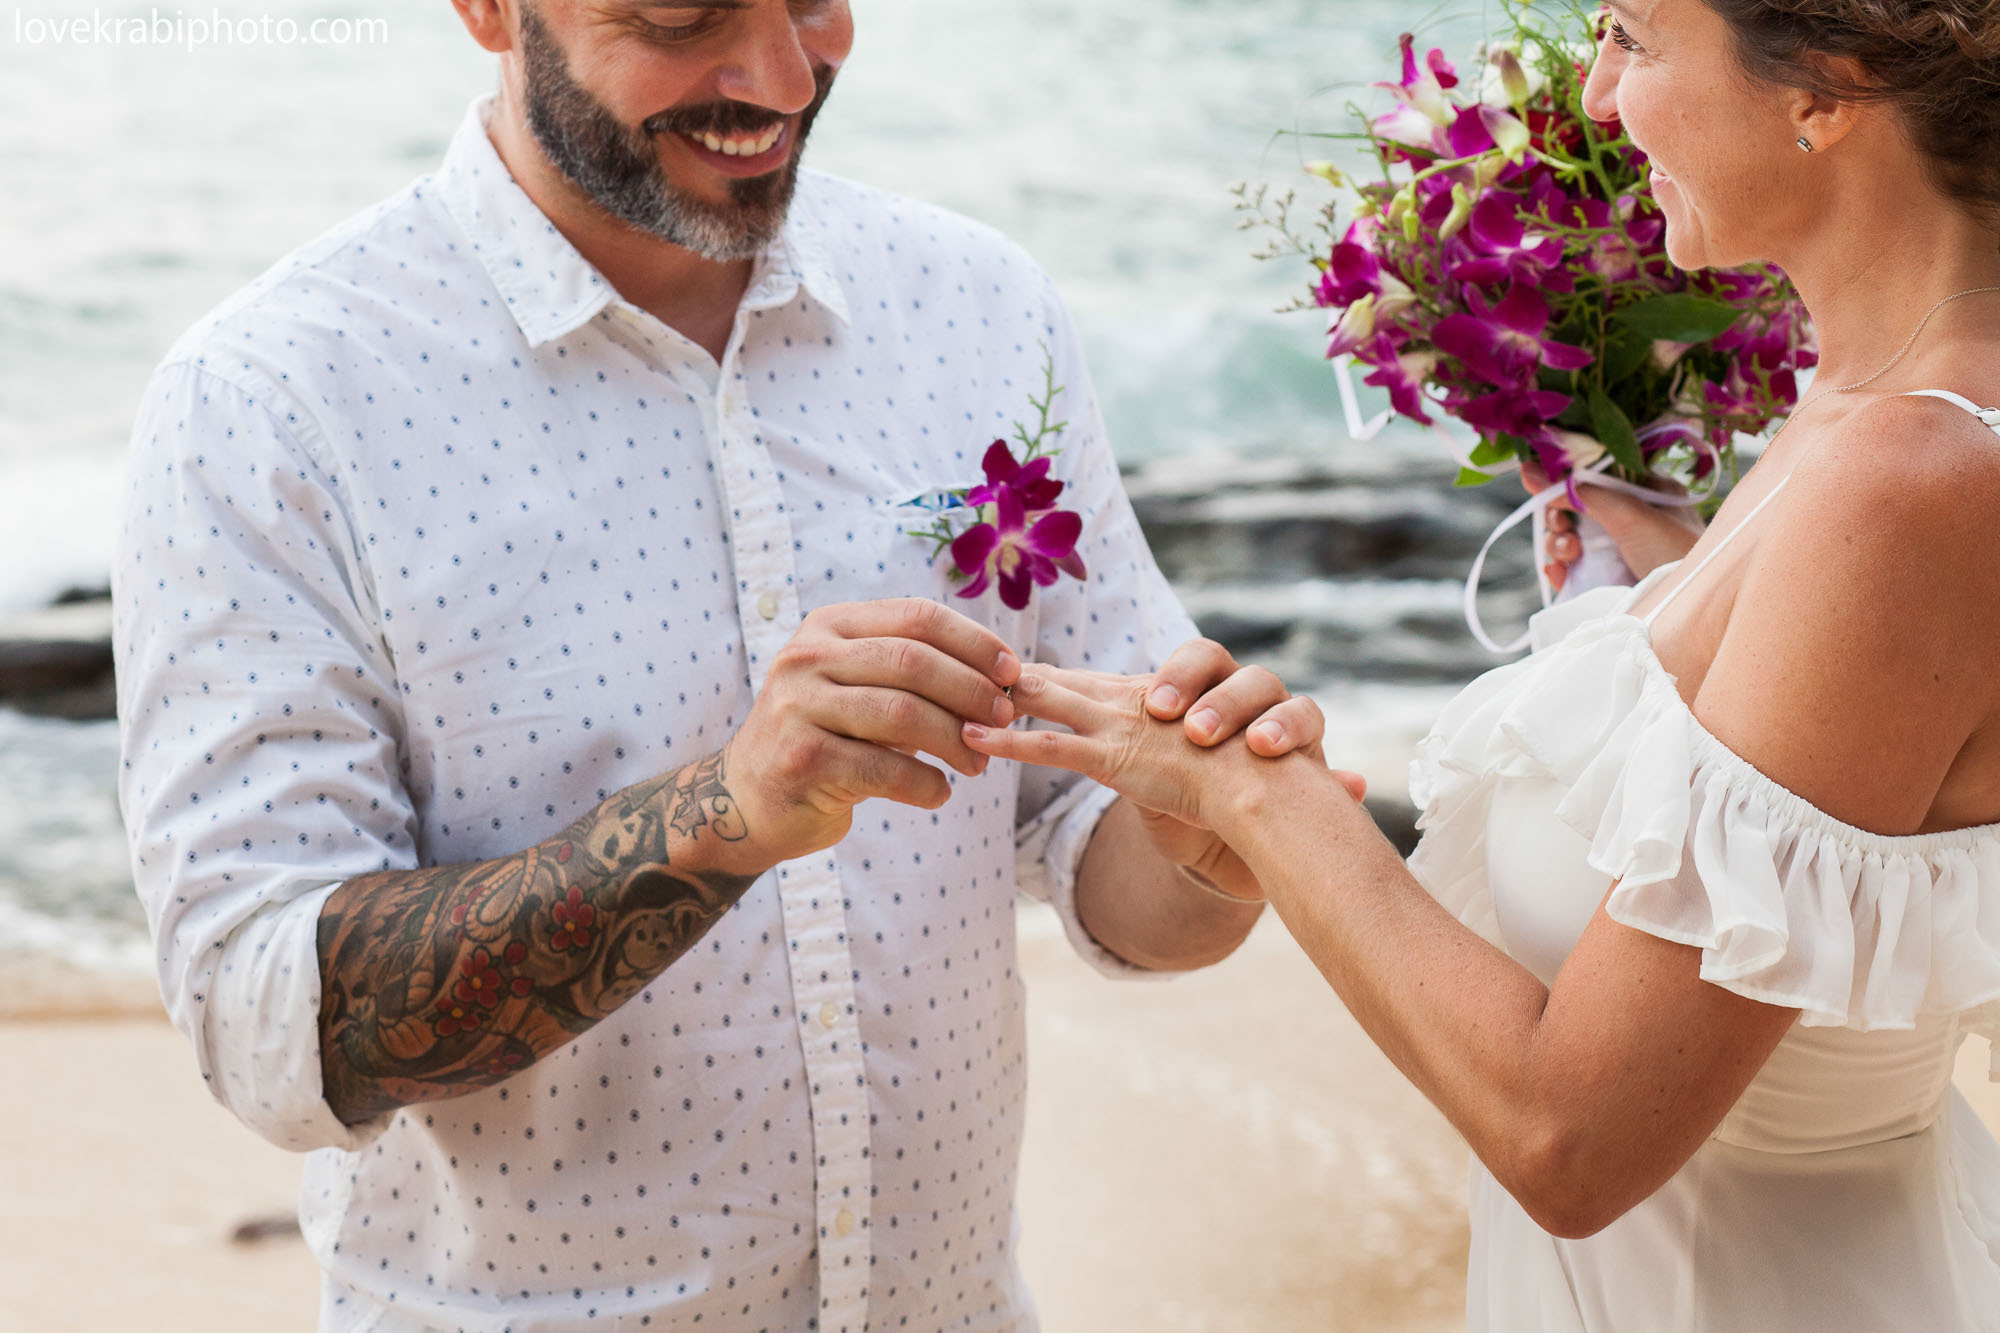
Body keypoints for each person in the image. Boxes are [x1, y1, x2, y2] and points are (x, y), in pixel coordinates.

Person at [110, 1, 1336, 1327]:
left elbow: (1099, 847)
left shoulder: (981, 308)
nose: (782, 78)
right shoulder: (267, 401)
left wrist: (1204, 850)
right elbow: (267, 1021)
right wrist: (721, 817)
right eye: (685, 14)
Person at [960, 0, 2000, 1327]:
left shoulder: (1906, 483)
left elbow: (1570, 1136)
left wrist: (1258, 792)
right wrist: (1653, 606)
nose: (1600, 96)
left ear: (1826, 87)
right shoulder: (1875, 404)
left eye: (1634, 36)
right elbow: (1845, 782)